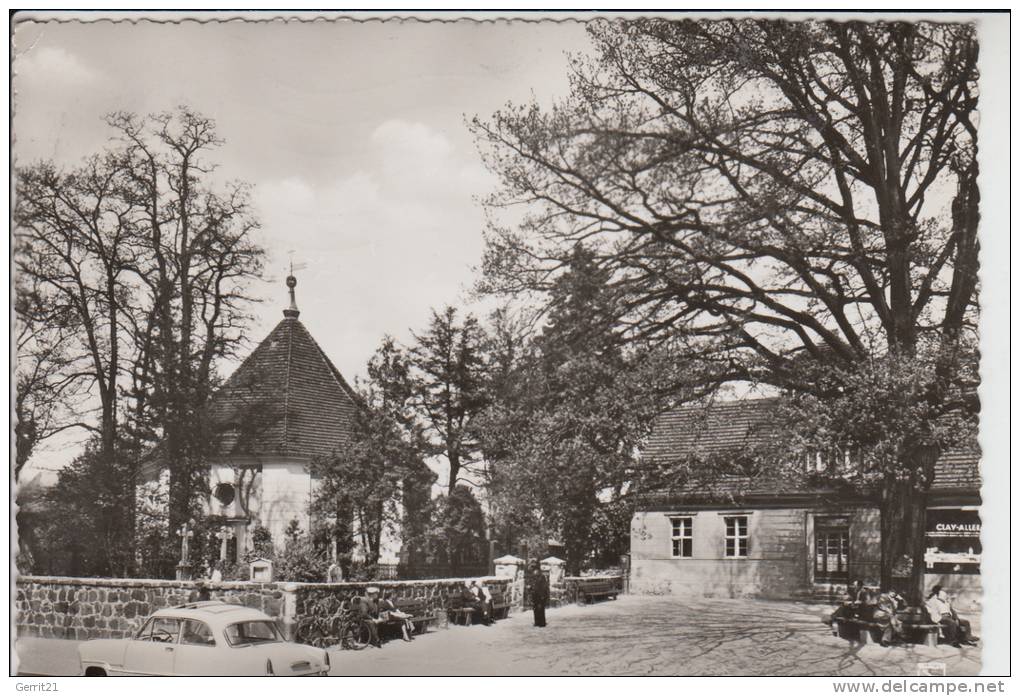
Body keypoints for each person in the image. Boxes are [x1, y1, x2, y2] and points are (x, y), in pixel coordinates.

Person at [530, 563, 549, 628]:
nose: (534, 572)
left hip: (541, 596)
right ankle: (537, 622)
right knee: (535, 609)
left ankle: (542, 623)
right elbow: (533, 586)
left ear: (538, 570)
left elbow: (544, 587)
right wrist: (530, 588)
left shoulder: (542, 577)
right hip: (535, 596)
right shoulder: (534, 577)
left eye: (534, 570)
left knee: (541, 609)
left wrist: (543, 596)